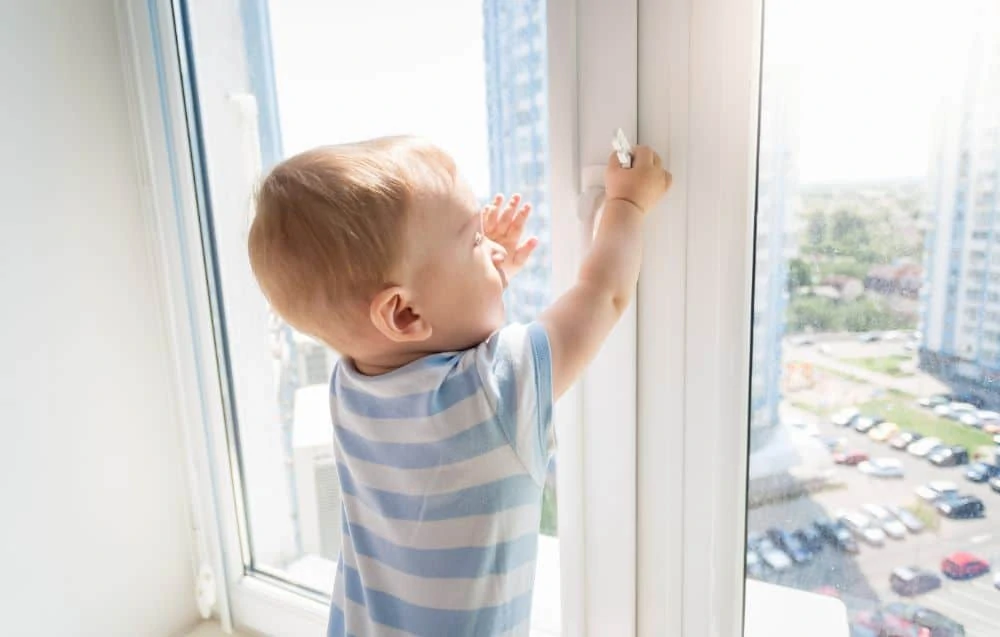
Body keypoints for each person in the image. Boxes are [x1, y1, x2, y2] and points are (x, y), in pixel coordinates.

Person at [248, 135, 671, 636]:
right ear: (404, 312)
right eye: (474, 240)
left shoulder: (349, 384)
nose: (492, 246)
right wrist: (626, 202)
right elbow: (603, 295)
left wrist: (479, 279)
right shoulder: (497, 392)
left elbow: (432, 353)